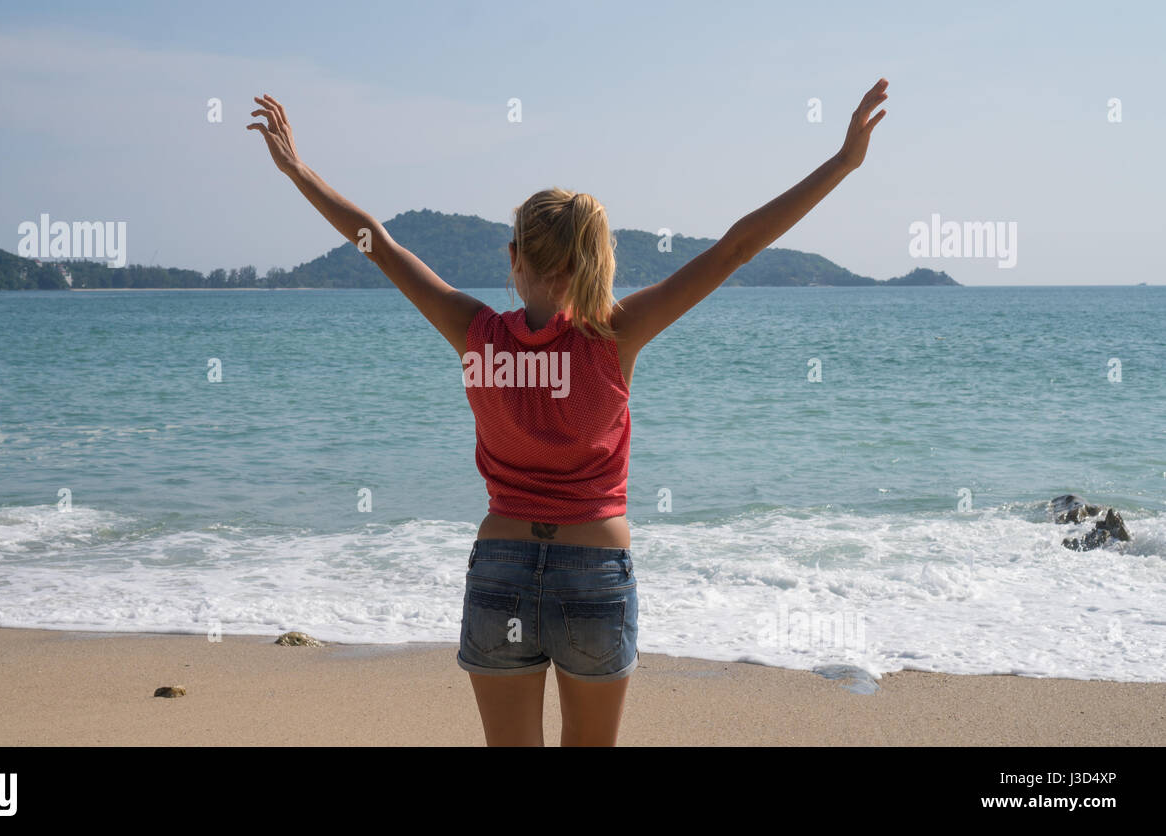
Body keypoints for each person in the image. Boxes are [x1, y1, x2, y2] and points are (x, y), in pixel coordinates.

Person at [248, 78, 888, 746]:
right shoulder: (616, 334)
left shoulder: (475, 331)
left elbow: (376, 241)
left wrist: (297, 169)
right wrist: (842, 163)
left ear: (514, 259)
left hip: (499, 571)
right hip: (593, 576)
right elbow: (735, 248)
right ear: (586, 259)